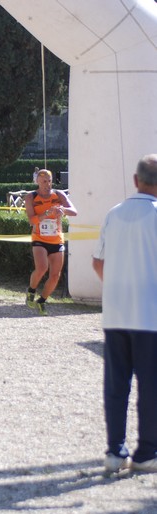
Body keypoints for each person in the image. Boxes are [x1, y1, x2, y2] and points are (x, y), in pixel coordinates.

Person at [92, 154, 157, 474]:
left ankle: (115, 451)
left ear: (135, 180)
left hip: (115, 313)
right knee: (151, 386)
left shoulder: (113, 214)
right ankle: (146, 452)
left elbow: (97, 262)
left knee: (116, 385)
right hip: (151, 314)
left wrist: (118, 289)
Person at [24, 169, 77, 315]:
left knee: (55, 275)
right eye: (43, 182)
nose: (47, 185)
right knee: (42, 268)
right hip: (39, 238)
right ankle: (31, 290)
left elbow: (74, 211)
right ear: (37, 182)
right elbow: (31, 220)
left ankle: (42, 301)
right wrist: (44, 214)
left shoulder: (59, 195)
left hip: (56, 239)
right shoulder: (31, 197)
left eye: (49, 181)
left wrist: (63, 210)